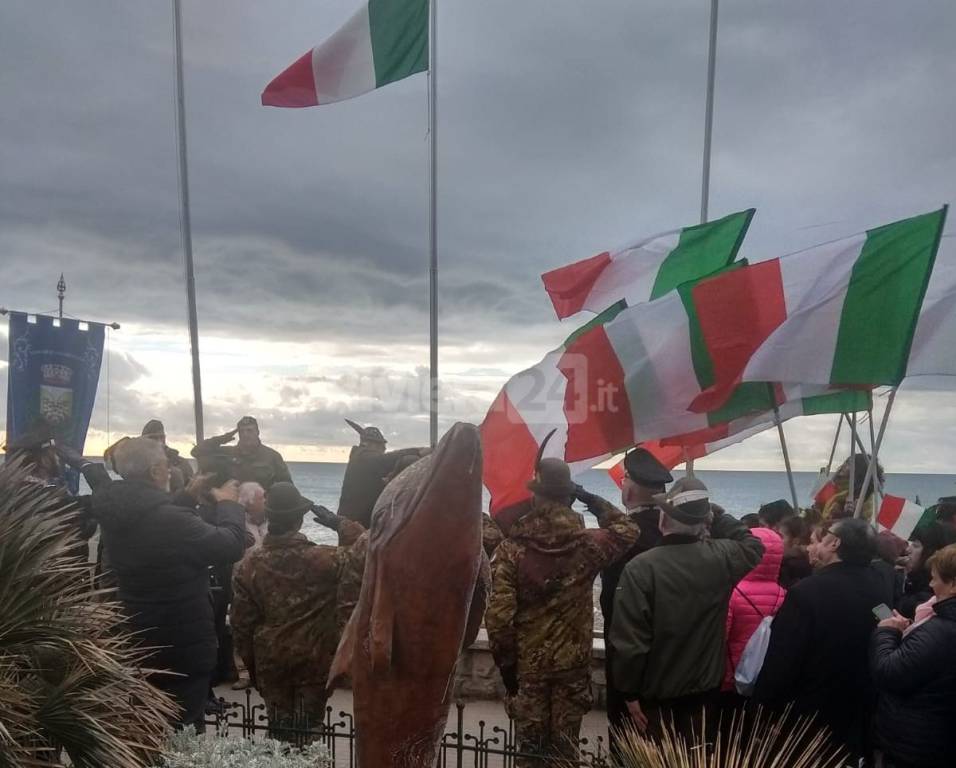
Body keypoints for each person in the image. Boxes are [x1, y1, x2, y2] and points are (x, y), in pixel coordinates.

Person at [485, 455, 639, 766]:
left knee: (530, 755)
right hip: (572, 668)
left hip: (528, 669)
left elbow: (499, 619)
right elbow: (628, 529)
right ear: (568, 496)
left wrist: (508, 669)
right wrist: (589, 498)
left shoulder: (512, 550)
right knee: (565, 755)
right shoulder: (589, 545)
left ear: (535, 496)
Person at [92, 437, 245, 731]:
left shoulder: (119, 512)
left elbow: (154, 521)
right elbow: (229, 545)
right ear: (154, 472)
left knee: (151, 725)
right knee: (184, 732)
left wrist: (187, 496)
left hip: (140, 632)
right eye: (166, 465)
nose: (172, 470)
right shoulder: (170, 521)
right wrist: (229, 505)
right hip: (180, 644)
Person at [611, 478, 763, 743]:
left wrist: (628, 693)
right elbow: (753, 545)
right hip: (704, 693)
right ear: (703, 523)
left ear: (662, 521)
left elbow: (630, 643)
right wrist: (720, 516)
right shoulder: (722, 557)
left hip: (655, 698)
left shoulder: (640, 568)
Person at [231, 483, 365, 739]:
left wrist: (254, 668)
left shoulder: (248, 566)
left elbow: (241, 626)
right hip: (314, 661)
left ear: (270, 517)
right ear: (299, 520)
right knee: (309, 731)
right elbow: (366, 549)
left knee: (278, 733)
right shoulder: (327, 560)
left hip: (271, 662)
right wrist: (340, 524)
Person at [753, 518, 886, 761]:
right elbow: (884, 624)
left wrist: (765, 708)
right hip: (859, 703)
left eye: (823, 537)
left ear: (835, 543)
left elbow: (783, 656)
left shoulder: (807, 592)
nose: (813, 545)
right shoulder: (880, 584)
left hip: (809, 708)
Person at [599, 447, 671, 747]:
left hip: (630, 665)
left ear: (632, 489)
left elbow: (614, 610)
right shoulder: (678, 532)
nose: (622, 483)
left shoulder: (626, 540)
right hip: (673, 664)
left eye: (625, 477)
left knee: (628, 745)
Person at [869, 543, 956, 768]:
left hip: (916, 745)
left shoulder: (940, 631)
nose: (930, 584)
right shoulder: (935, 624)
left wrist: (888, 631)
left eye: (935, 578)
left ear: (953, 585)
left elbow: (888, 672)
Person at [723, 527, 786, 699]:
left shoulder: (733, 592)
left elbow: (722, 636)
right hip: (763, 674)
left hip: (731, 676)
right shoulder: (785, 594)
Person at [336, 419, 429, 527]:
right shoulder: (364, 459)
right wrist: (418, 451)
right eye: (381, 446)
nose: (384, 449)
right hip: (355, 521)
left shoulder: (363, 460)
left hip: (357, 519)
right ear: (369, 444)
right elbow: (387, 459)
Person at [191, 416, 291, 490]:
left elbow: (287, 487)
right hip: (232, 510)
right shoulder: (227, 453)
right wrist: (222, 439)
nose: (245, 434)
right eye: (241, 431)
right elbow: (196, 451)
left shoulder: (272, 456)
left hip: (261, 510)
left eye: (249, 430)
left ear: (257, 432)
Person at [898, 521, 956, 618]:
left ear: (931, 552)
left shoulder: (931, 597)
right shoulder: (915, 579)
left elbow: (904, 607)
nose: (908, 550)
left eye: (916, 545)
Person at [821, 454, 883, 522]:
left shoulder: (862, 495)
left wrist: (848, 514)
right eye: (846, 462)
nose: (844, 465)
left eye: (849, 464)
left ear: (858, 470)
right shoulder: (834, 485)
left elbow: (861, 525)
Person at [141, 419, 194, 493]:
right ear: (143, 442)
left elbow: (192, 493)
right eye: (153, 438)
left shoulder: (181, 463)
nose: (159, 441)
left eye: (161, 437)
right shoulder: (137, 466)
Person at [778, 516, 812, 588]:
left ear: (796, 541)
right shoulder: (809, 561)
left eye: (781, 536)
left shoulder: (787, 566)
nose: (777, 539)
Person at [238, 481, 268, 549]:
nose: (265, 500)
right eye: (261, 498)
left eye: (265, 497)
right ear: (249, 503)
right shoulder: (240, 525)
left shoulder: (271, 519)